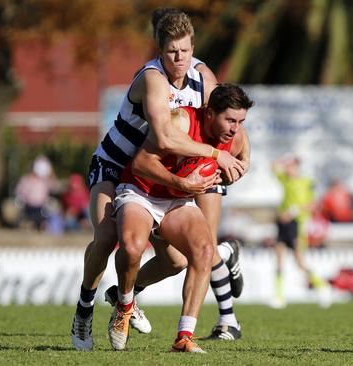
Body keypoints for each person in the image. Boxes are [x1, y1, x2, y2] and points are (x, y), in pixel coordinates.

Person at [70, 9, 249, 351]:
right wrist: (215, 155)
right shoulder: (153, 78)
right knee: (107, 237)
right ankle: (84, 309)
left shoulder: (202, 76)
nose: (179, 59)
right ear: (159, 50)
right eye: (171, 51)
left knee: (177, 260)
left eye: (184, 50)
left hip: (159, 180)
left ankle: (129, 296)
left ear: (192, 46)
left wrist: (243, 157)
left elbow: (232, 114)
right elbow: (164, 138)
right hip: (117, 164)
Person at [109, 83, 253, 352]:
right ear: (209, 114)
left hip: (177, 200)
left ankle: (184, 337)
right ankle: (124, 306)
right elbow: (140, 163)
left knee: (204, 249)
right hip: (142, 191)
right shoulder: (182, 120)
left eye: (241, 121)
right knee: (131, 248)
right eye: (230, 120)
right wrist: (184, 182)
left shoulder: (235, 135)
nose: (236, 128)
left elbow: (243, 159)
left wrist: (235, 172)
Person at [271, 154, 330, 309]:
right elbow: (273, 166)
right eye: (288, 166)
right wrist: (286, 158)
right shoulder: (285, 179)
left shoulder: (306, 182)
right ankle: (279, 296)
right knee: (279, 257)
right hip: (283, 223)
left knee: (299, 261)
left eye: (292, 166)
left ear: (297, 167)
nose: (288, 168)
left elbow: (314, 204)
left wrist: (294, 211)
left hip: (297, 223)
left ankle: (322, 285)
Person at [14, 155, 54, 231]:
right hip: (28, 207)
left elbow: (52, 185)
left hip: (41, 208)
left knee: (44, 219)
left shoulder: (43, 181)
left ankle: (39, 225)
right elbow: (19, 192)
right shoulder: (25, 180)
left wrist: (50, 172)